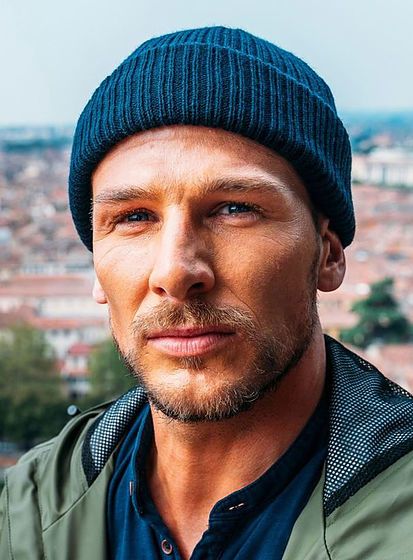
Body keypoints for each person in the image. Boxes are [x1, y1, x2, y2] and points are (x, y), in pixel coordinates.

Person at [1, 26, 413, 560]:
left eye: (234, 209)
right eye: (134, 217)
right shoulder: (22, 518)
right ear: (97, 270)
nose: (175, 271)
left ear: (328, 254)